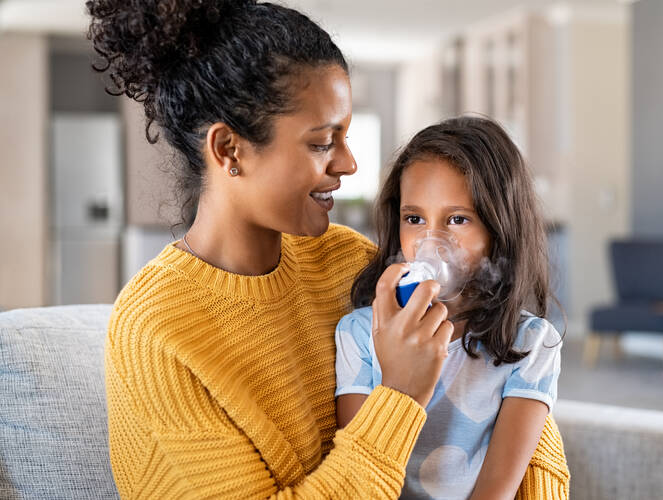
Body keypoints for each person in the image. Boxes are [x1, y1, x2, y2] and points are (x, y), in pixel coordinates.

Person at [88, 0, 454, 497]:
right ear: (229, 149)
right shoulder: (155, 329)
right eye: (322, 142)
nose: (349, 164)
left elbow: (499, 375)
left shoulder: (348, 260)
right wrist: (399, 397)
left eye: (345, 137)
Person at [336, 116, 570, 499]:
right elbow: (359, 476)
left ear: (499, 227)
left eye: (458, 219)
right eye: (414, 218)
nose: (431, 241)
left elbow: (495, 492)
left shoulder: (530, 345)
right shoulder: (361, 333)